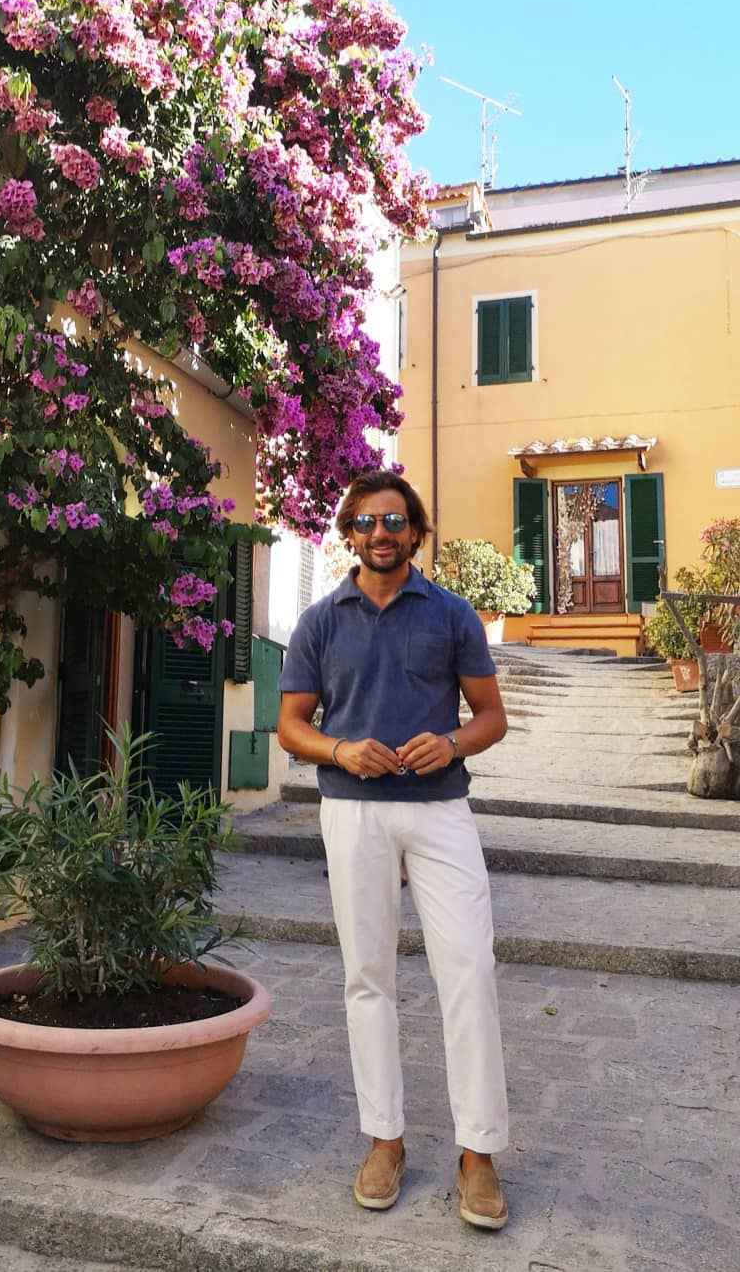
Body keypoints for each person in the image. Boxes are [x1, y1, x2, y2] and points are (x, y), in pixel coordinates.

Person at [276, 469, 510, 1230]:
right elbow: (292, 726)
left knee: (469, 969)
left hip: (440, 811)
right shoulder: (319, 621)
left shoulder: (450, 615)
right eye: (369, 521)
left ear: (415, 532)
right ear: (350, 533)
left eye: (396, 521)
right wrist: (339, 753)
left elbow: (491, 716)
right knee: (367, 977)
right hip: (354, 814)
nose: (383, 533)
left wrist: (449, 743)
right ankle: (386, 1141)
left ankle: (478, 1155)